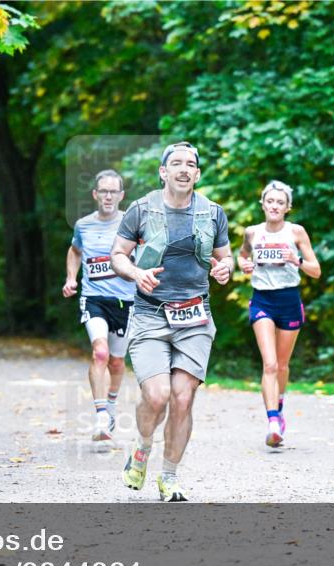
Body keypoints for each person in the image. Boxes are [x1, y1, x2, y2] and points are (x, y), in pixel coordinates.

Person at [110, 142, 232, 501]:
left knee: (182, 398)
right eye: (175, 163)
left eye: (190, 164)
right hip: (150, 313)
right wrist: (135, 273)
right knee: (158, 395)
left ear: (196, 174)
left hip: (195, 316)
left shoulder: (213, 213)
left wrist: (225, 268)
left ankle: (170, 476)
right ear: (163, 171)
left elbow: (224, 260)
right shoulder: (141, 209)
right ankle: (142, 446)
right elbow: (117, 254)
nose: (183, 169)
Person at [236, 180, 321, 447]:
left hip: (289, 300)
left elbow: (316, 270)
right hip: (262, 300)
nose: (274, 206)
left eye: (280, 203)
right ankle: (273, 422)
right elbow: (241, 257)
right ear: (262, 204)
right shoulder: (251, 232)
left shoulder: (296, 232)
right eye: (270, 201)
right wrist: (245, 266)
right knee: (270, 364)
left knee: (282, 365)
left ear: (287, 208)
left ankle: (279, 407)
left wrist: (295, 259)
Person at [63, 170, 136, 441]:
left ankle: (112, 404)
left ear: (121, 195)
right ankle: (101, 416)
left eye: (113, 191)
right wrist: (71, 278)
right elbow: (74, 251)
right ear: (95, 194)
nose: (108, 196)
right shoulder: (83, 225)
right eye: (103, 191)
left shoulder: (132, 223)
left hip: (127, 301)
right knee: (101, 354)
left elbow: (147, 253)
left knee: (117, 362)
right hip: (94, 299)